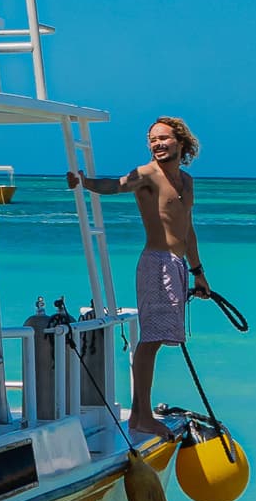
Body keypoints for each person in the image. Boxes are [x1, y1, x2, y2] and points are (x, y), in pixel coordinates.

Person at [69, 116, 201, 443]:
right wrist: (84, 182)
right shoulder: (146, 175)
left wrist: (198, 273)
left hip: (177, 266)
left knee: (156, 340)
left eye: (163, 138)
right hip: (156, 264)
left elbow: (187, 229)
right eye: (153, 140)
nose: (157, 144)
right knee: (150, 339)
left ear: (181, 142)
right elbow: (114, 185)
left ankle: (142, 414)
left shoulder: (186, 181)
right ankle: (142, 417)